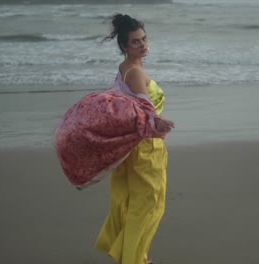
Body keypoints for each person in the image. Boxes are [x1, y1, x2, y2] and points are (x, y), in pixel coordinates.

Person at [94, 13, 174, 264]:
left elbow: (133, 106)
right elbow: (146, 109)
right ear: (124, 46)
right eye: (136, 42)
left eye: (143, 38)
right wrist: (159, 122)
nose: (143, 44)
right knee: (149, 203)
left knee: (133, 200)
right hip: (146, 148)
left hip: (135, 146)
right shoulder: (135, 72)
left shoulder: (126, 68)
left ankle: (135, 254)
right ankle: (135, 258)